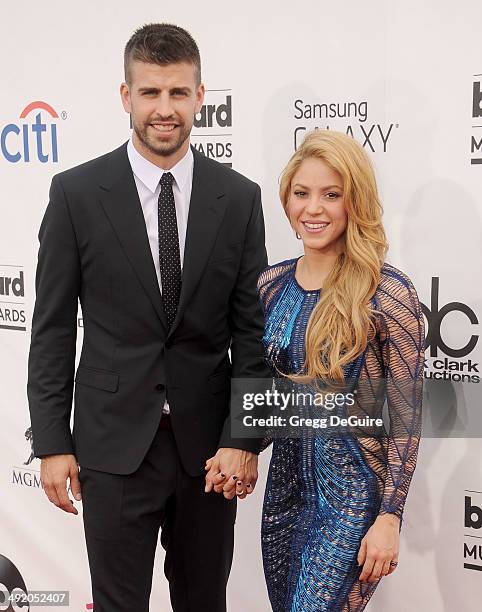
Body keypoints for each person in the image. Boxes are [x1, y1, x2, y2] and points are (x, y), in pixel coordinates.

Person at [27, 23, 269, 612]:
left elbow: (254, 333)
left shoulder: (238, 198)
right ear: (125, 96)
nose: (165, 109)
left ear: (200, 97)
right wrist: (53, 443)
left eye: (178, 93)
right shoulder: (76, 194)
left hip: (209, 453)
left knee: (204, 600)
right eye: (151, 93)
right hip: (111, 449)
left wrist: (243, 439)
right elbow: (53, 327)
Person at [257, 130, 424, 611]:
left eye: (332, 195)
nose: (314, 208)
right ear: (287, 199)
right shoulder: (270, 286)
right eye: (302, 193)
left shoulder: (385, 292)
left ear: (356, 202)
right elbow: (273, 401)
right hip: (284, 499)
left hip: (353, 503)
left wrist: (390, 516)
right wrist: (238, 447)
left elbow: (406, 415)